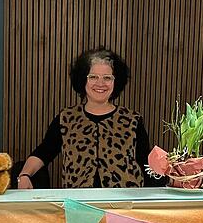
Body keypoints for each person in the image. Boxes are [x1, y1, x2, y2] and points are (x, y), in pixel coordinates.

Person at [17, 47, 157, 188]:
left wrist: (171, 179)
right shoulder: (66, 118)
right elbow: (43, 153)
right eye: (93, 77)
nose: (100, 83)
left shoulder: (132, 120)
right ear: (82, 79)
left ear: (116, 82)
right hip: (78, 203)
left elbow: (147, 163)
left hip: (123, 203)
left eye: (107, 78)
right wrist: (24, 175)